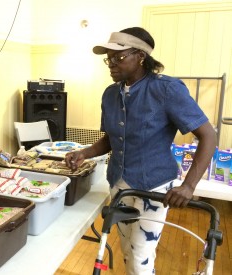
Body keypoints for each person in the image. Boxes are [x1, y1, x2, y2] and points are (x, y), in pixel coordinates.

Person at [65, 27, 216, 274]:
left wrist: (188, 186)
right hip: (119, 184)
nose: (111, 64)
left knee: (140, 256)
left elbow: (208, 135)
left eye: (119, 57)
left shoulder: (166, 90)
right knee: (127, 251)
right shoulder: (110, 94)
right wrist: (85, 152)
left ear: (141, 56)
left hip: (154, 186)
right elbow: (111, 139)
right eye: (109, 59)